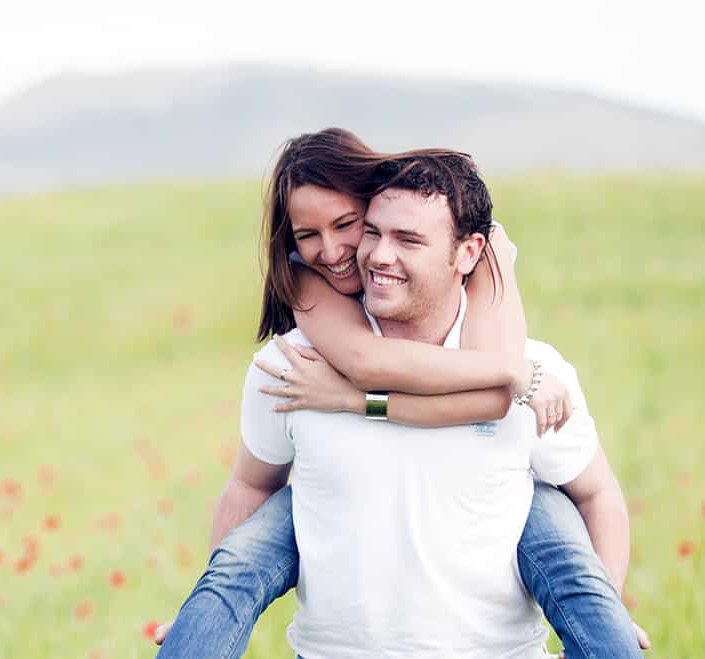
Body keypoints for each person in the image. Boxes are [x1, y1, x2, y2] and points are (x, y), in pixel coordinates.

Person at [155, 131, 648, 657]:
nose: (368, 254)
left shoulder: (534, 373)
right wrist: (204, 613)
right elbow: (249, 489)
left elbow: (597, 494)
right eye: (374, 233)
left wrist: (606, 616)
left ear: (469, 252)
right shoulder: (295, 368)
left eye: (404, 239)